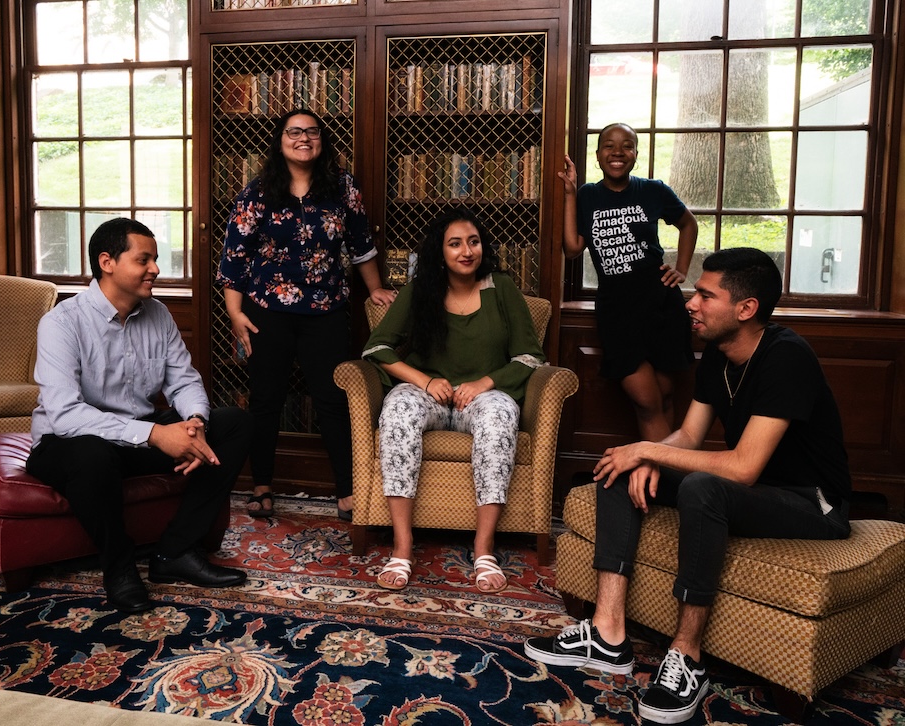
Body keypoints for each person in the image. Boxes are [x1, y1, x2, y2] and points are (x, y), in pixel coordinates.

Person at [524, 247, 852, 724]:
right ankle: (608, 632)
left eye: (705, 294)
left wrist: (651, 451)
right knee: (621, 467)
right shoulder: (718, 357)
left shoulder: (787, 357)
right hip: (757, 493)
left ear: (746, 309)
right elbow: (689, 436)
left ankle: (687, 654)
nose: (690, 303)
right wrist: (644, 455)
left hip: (814, 503)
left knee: (701, 486)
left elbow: (742, 468)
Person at [27, 218, 253, 614]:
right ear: (107, 262)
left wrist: (194, 423)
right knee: (92, 455)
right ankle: (118, 568)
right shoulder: (61, 323)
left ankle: (175, 552)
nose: (155, 269)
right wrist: (155, 434)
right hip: (69, 443)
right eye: (144, 259)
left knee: (234, 423)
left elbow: (183, 380)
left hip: (136, 437)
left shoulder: (159, 314)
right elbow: (65, 414)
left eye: (156, 259)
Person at [217, 108, 395, 522]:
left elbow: (361, 244)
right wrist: (234, 314)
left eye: (312, 132)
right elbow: (234, 257)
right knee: (266, 400)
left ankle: (348, 491)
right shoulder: (257, 191)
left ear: (321, 140)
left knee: (332, 400)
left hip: (325, 311)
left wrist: (375, 288)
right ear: (280, 141)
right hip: (266, 312)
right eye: (294, 132)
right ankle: (261, 485)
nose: (303, 138)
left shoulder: (342, 187)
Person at [362, 207, 546, 594]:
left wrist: (485, 382)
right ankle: (402, 546)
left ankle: (483, 549)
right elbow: (377, 346)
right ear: (439, 251)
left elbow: (530, 355)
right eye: (455, 243)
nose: (467, 251)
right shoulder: (421, 289)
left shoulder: (503, 288)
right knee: (397, 409)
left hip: (481, 399)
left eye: (474, 242)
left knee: (499, 415)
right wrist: (424, 381)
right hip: (430, 394)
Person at [561, 122, 697, 441]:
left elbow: (688, 224)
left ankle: (665, 482)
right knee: (646, 400)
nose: (618, 151)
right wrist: (570, 194)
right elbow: (572, 249)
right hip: (618, 309)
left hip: (661, 303)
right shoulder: (588, 195)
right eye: (609, 145)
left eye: (627, 145)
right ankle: (666, 477)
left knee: (663, 396)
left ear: (635, 154)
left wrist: (681, 269)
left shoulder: (653, 190)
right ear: (597, 156)